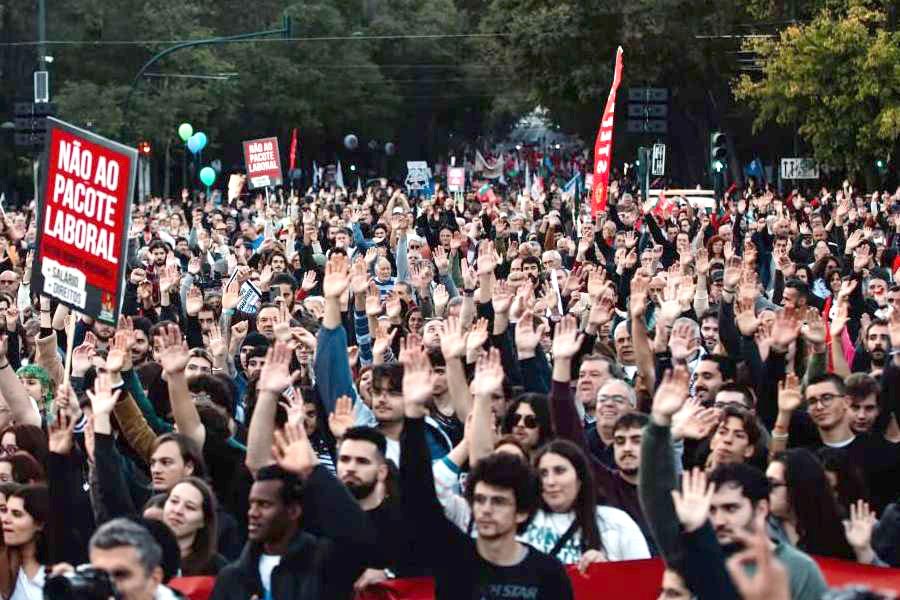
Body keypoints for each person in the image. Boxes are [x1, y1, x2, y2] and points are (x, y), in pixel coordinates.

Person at [400, 345, 573, 599]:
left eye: (499, 501)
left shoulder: (548, 574)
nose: (486, 509)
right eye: (480, 499)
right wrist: (413, 414)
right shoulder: (453, 557)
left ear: (522, 511)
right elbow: (417, 495)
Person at [211, 421, 376, 600]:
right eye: (252, 504)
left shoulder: (323, 564)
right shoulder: (232, 577)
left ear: (293, 511)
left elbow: (359, 536)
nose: (253, 513)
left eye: (265, 505)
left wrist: (315, 472)